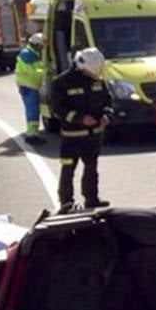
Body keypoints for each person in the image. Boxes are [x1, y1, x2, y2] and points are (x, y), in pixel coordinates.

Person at [52, 47, 112, 212]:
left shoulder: (98, 80)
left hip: (94, 136)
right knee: (68, 170)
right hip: (72, 137)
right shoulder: (61, 82)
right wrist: (79, 118)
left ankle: (92, 199)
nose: (94, 76)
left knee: (91, 168)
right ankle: (66, 204)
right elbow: (57, 108)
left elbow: (108, 101)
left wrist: (107, 115)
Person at [14, 32, 47, 145]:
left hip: (29, 86)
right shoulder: (28, 55)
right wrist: (45, 72)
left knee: (33, 110)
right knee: (32, 111)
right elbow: (31, 72)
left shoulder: (31, 53)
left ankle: (33, 133)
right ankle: (31, 135)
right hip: (29, 86)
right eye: (41, 46)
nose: (42, 48)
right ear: (36, 44)